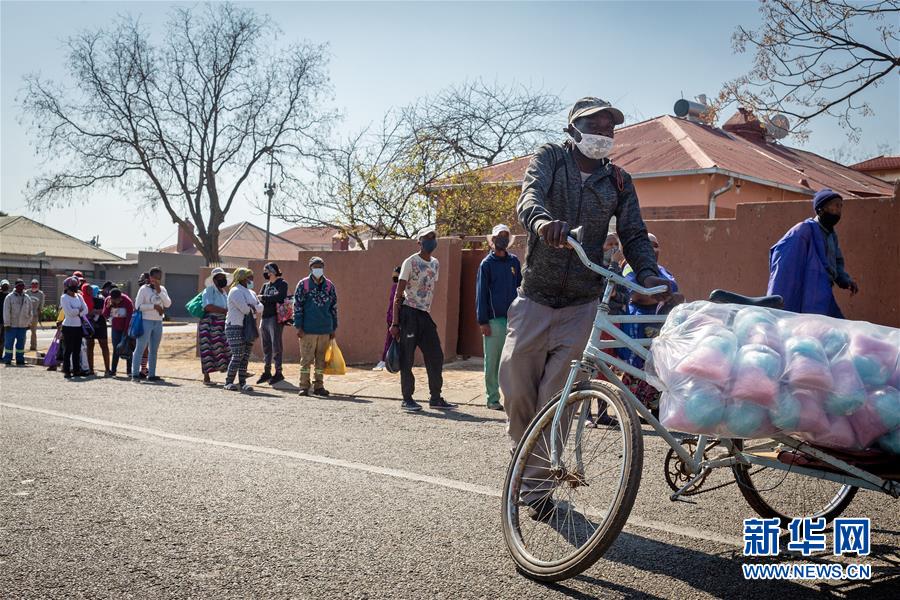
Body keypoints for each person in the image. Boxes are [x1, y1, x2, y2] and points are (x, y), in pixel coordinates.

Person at [498, 97, 670, 520]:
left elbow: (634, 233)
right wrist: (543, 223)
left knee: (556, 399)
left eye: (610, 128)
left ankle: (535, 488)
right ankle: (525, 460)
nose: (604, 134)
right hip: (535, 296)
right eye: (596, 126)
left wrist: (648, 274)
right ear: (573, 129)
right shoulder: (550, 159)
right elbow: (529, 198)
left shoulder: (619, 182)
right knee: (516, 391)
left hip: (582, 302)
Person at [390, 228, 457, 412]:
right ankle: (407, 398)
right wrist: (395, 322)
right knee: (407, 357)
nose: (431, 240)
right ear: (419, 242)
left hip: (424, 314)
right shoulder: (410, 262)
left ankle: (435, 397)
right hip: (408, 312)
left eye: (433, 237)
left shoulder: (435, 264)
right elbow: (398, 294)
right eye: (427, 238)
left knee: (436, 355)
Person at [768, 189, 859, 318]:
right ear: (820, 209)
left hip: (824, 288)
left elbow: (837, 262)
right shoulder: (804, 230)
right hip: (809, 288)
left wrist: (846, 280)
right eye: (835, 206)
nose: (838, 210)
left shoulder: (832, 236)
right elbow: (785, 258)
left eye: (840, 206)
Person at [476, 224, 522, 410]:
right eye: (499, 236)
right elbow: (481, 294)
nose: (502, 239)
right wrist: (483, 321)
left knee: (512, 361)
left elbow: (520, 287)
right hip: (494, 321)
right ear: (493, 240)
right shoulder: (486, 264)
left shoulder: (514, 262)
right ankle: (492, 398)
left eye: (505, 235)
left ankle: (511, 398)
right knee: (493, 361)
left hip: (514, 320)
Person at [293, 257, 338, 397]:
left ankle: (319, 385)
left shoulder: (329, 286)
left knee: (320, 361)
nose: (318, 269)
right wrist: (298, 326)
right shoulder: (303, 284)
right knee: (306, 360)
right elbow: (297, 306)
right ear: (310, 268)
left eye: (320, 266)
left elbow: (334, 307)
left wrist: (333, 328)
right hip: (307, 330)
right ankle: (304, 386)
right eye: (315, 266)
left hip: (325, 329)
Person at [224, 268, 262, 392]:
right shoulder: (235, 291)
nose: (252, 280)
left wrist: (252, 306)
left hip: (249, 326)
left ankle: (242, 383)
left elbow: (261, 307)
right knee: (238, 355)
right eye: (249, 277)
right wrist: (254, 306)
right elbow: (245, 309)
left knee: (245, 356)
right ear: (242, 278)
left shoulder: (251, 292)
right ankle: (229, 382)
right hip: (235, 326)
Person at [131, 266, 171, 382]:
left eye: (160, 277)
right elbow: (138, 306)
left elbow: (168, 304)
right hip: (146, 321)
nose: (158, 280)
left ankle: (152, 374)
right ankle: (135, 374)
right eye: (156, 277)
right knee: (140, 348)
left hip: (158, 322)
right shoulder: (144, 289)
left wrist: (159, 291)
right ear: (150, 277)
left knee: (154, 350)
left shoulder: (162, 289)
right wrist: (153, 306)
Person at [257, 262, 289, 385]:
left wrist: (265, 298)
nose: (266, 273)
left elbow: (280, 297)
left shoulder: (282, 283)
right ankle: (267, 371)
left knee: (276, 346)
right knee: (266, 346)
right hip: (264, 317)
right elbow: (260, 299)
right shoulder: (265, 285)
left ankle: (278, 372)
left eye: (267, 271)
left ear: (273, 272)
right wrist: (265, 298)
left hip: (275, 318)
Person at [199, 268, 231, 385]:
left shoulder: (224, 292)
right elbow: (208, 306)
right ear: (214, 279)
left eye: (224, 277)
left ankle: (230, 374)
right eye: (220, 278)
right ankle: (206, 377)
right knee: (207, 348)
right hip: (210, 322)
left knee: (225, 347)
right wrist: (224, 311)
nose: (223, 279)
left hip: (222, 322)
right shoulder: (209, 290)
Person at [59, 277, 88, 378]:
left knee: (77, 350)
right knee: (68, 350)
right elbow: (69, 312)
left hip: (78, 326)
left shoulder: (79, 296)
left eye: (76, 285)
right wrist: (79, 311)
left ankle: (76, 370)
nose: (75, 287)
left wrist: (77, 311)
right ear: (67, 287)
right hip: (68, 327)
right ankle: (67, 371)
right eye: (72, 286)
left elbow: (86, 309)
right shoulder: (64, 298)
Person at [373, 266, 402, 371]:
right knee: (391, 341)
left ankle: (390, 361)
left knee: (393, 341)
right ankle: (386, 361)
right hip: (392, 319)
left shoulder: (399, 288)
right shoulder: (395, 287)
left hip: (396, 319)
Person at [102, 287, 134, 377]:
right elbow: (105, 315)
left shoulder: (127, 301)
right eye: (115, 300)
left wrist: (126, 331)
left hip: (126, 328)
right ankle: (113, 370)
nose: (118, 301)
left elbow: (129, 317)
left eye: (119, 299)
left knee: (128, 348)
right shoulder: (108, 300)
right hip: (115, 328)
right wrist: (108, 307)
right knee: (116, 349)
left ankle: (129, 371)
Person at [3, 280, 33, 366]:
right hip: (11, 326)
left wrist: (28, 323)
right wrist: (7, 324)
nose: (21, 287)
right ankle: (7, 359)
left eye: (22, 285)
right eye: (19, 285)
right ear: (15, 286)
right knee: (9, 344)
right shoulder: (9, 297)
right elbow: (6, 311)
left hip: (22, 326)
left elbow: (30, 311)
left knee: (21, 344)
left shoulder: (27, 297)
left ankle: (20, 359)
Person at [87, 282, 113, 376]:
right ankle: (107, 369)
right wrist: (98, 311)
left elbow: (105, 311)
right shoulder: (102, 299)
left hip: (92, 324)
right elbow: (105, 311)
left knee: (91, 346)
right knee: (103, 346)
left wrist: (94, 311)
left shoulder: (88, 299)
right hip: (99, 324)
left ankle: (91, 370)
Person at [25, 279, 45, 352]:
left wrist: (39, 314)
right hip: (26, 316)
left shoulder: (41, 294)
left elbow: (41, 306)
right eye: (33, 284)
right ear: (31, 285)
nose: (34, 285)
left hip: (34, 316)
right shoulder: (27, 292)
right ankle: (21, 346)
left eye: (36, 284)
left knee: (33, 332)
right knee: (23, 332)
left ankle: (33, 346)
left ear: (38, 285)